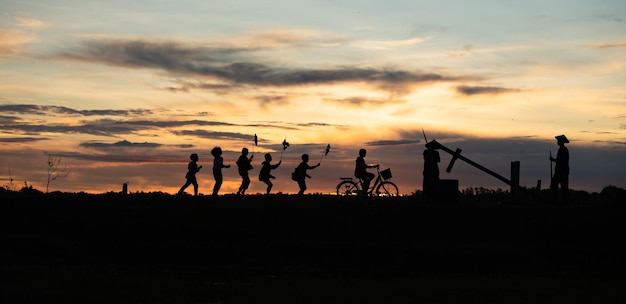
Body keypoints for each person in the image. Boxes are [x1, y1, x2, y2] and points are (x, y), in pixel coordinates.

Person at [550, 134, 570, 204]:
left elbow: (561, 161)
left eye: (558, 141)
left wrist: (553, 160)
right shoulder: (562, 149)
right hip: (560, 171)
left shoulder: (563, 150)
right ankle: (557, 200)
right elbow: (559, 160)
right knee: (556, 185)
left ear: (561, 142)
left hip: (562, 172)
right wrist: (553, 160)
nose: (557, 142)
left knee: (561, 186)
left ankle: (561, 201)